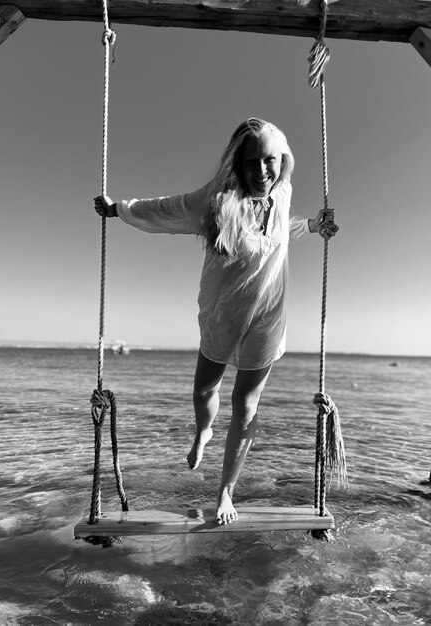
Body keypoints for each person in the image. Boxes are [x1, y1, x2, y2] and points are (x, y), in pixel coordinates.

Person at [94, 117, 338, 525]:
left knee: (246, 404)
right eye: (251, 163)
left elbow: (281, 230)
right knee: (205, 390)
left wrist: (314, 226)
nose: (262, 171)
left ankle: (225, 491)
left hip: (267, 316)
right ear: (237, 165)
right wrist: (119, 209)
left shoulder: (284, 193)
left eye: (270, 161)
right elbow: (166, 210)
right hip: (221, 313)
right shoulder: (217, 199)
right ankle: (203, 432)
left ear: (285, 161)